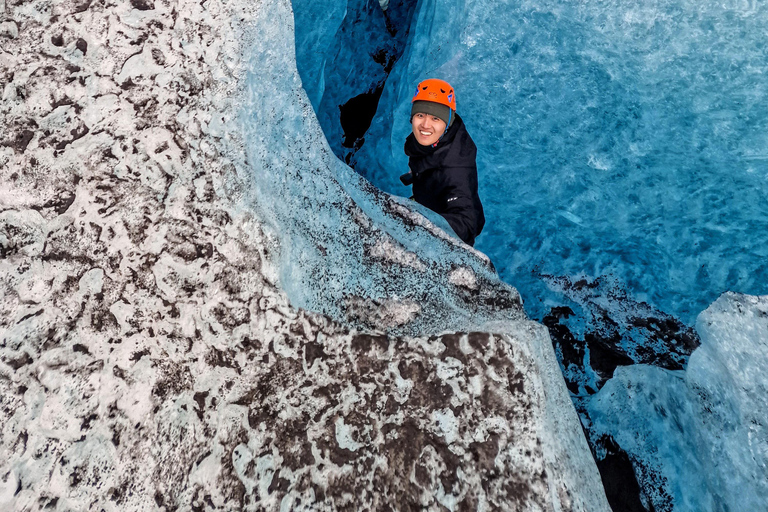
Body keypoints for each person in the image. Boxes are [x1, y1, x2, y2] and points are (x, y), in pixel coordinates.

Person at [400, 79, 485, 247]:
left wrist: (422, 221)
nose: (425, 125)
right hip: (429, 199)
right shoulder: (439, 140)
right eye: (420, 115)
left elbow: (467, 224)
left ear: (447, 123)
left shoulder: (453, 171)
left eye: (435, 118)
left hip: (444, 242)